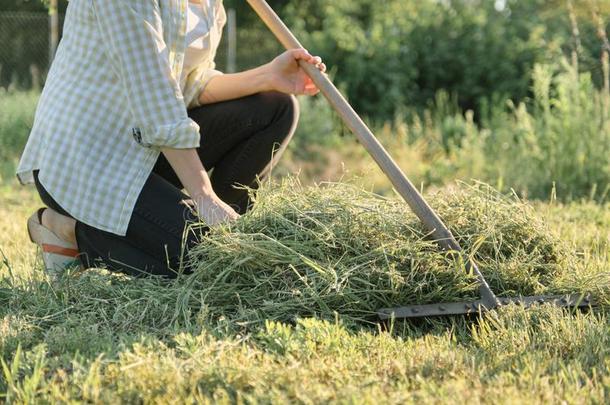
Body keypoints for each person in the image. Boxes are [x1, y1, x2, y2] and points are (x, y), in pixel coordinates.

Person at [17, 0, 326, 278]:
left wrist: (268, 76)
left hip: (144, 149)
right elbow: (157, 103)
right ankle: (68, 230)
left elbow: (190, 84)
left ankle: (232, 232)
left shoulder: (209, 4)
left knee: (276, 107)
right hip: (87, 158)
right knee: (204, 262)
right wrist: (203, 196)